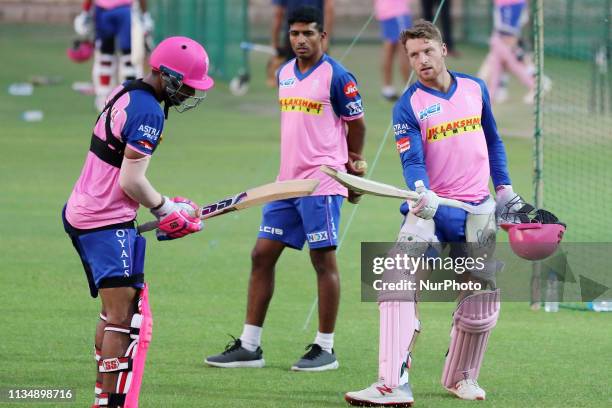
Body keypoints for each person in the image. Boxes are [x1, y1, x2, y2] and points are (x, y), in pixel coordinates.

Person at [344, 20, 523, 406]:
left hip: (477, 212)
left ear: (443, 49)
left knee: (480, 302)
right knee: (395, 283)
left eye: (427, 51)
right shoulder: (408, 105)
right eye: (413, 55)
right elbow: (412, 159)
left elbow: (492, 139)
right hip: (429, 210)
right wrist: (422, 191)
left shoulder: (475, 89)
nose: (421, 60)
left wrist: (504, 188)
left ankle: (462, 378)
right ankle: (392, 384)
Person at [205, 6, 366, 372]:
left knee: (322, 261)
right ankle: (250, 346)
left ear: (323, 36)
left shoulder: (338, 77)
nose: (301, 40)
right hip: (286, 184)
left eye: (308, 33)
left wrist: (352, 165)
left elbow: (357, 125)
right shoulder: (284, 73)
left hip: (322, 183)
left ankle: (325, 348)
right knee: (261, 255)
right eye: (295, 34)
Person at [62, 36, 214, 407]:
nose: (191, 92)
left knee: (113, 313)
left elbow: (125, 173)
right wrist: (165, 210)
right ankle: (110, 401)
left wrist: (163, 205)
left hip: (88, 212)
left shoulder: (127, 90)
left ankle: (104, 394)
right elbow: (130, 181)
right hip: (103, 220)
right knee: (122, 319)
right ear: (169, 76)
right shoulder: (149, 112)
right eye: (189, 84)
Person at [73, 0, 154, 111]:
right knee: (110, 57)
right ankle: (112, 98)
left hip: (116, 10)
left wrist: (86, 12)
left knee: (124, 58)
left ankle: (125, 97)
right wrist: (145, 14)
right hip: (111, 11)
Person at [477, 0, 546, 104]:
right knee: (498, 64)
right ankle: (492, 93)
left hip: (504, 36)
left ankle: (535, 85)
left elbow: (511, 28)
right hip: (500, 36)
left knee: (512, 64)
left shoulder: (512, 6)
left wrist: (511, 41)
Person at [267, 0, 334, 86]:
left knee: (291, 82)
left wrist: (275, 42)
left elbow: (278, 14)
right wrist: (325, 38)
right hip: (315, 35)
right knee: (320, 82)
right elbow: (329, 8)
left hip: (294, 36)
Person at [373, 0, 413, 101]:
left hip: (385, 11)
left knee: (389, 48)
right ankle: (409, 88)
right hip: (396, 11)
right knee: (404, 49)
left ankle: (387, 88)